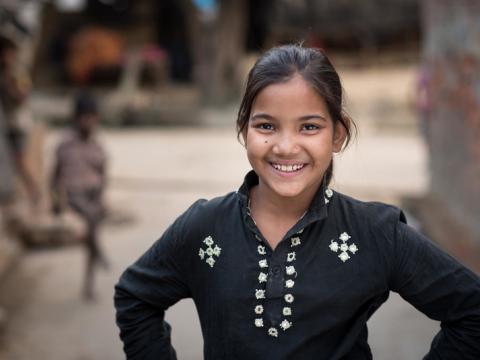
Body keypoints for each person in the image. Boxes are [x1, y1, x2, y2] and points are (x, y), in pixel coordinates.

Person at [114, 45, 480, 359]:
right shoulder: (205, 227)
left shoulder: (374, 233)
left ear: (337, 134)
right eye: (266, 126)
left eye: (309, 127)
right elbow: (135, 297)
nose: (286, 146)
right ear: (244, 130)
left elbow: (471, 310)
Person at [51, 92, 108, 300]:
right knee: (91, 223)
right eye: (85, 117)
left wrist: (102, 199)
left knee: (91, 234)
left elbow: (103, 173)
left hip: (93, 196)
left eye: (92, 117)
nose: (89, 121)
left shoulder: (97, 145)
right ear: (76, 118)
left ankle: (89, 285)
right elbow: (55, 173)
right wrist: (55, 200)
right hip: (74, 196)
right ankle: (99, 251)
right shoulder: (65, 143)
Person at [0, 34, 39, 207]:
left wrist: (9, 82)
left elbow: (23, 96)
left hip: (17, 125)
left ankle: (34, 195)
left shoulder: (16, 72)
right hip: (8, 124)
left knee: (21, 161)